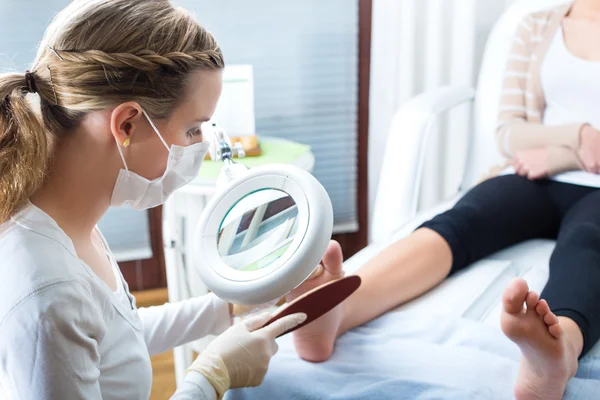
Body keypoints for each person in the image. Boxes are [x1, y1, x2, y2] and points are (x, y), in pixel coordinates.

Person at [288, 1, 600, 399]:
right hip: (530, 173)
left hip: (579, 181)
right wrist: (582, 136)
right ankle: (339, 310)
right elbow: (509, 132)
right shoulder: (537, 26)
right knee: (464, 220)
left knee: (588, 244)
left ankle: (558, 354)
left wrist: (564, 153)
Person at [0, 1, 308, 399]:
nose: (202, 146)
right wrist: (210, 379)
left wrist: (228, 309)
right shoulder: (47, 291)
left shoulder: (67, 222)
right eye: (194, 129)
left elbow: (113, 339)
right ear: (126, 123)